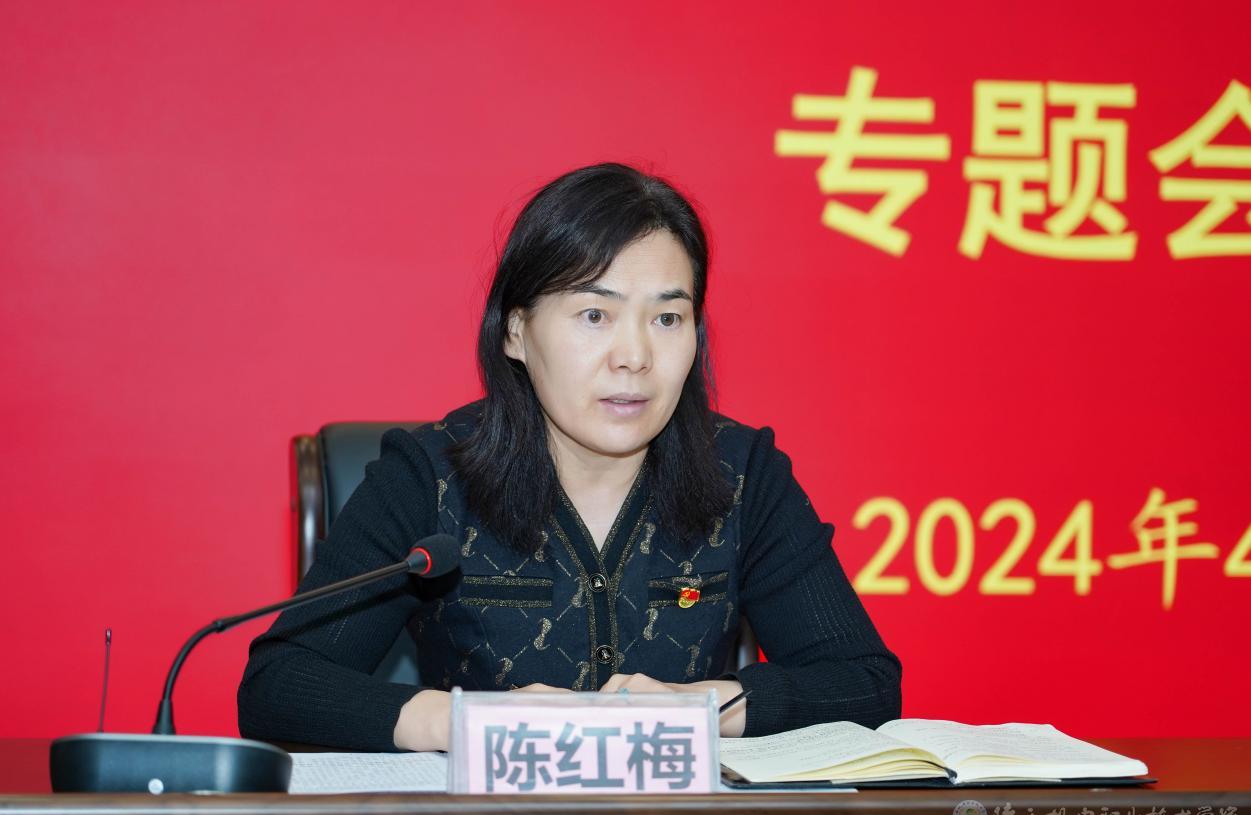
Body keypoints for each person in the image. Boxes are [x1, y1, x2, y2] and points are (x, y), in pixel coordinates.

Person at [237, 162, 901, 752]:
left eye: (667, 319)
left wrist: (702, 708)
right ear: (517, 331)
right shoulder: (430, 475)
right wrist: (463, 721)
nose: (634, 356)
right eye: (594, 315)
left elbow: (863, 682)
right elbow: (280, 685)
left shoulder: (742, 473)